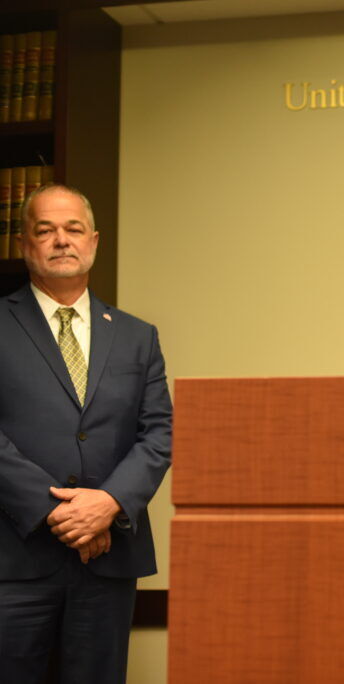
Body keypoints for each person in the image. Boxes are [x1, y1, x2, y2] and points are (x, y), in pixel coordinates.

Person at [0, 184, 172, 683]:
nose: (61, 240)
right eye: (45, 230)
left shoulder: (138, 336)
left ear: (93, 241)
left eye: (73, 229)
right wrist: (57, 510)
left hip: (109, 556)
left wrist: (109, 503)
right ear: (23, 244)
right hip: (15, 558)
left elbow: (158, 431)